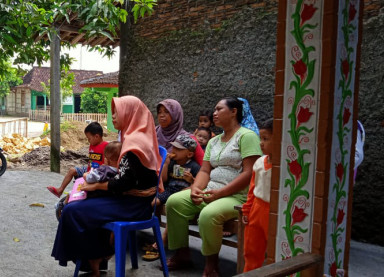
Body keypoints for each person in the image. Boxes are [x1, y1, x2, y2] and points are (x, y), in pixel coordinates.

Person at [52, 96, 162, 277]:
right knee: (75, 204)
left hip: (135, 204)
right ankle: (95, 259)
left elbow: (122, 183)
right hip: (128, 197)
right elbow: (123, 178)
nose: (113, 117)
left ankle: (93, 259)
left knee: (73, 211)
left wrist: (95, 187)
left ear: (130, 113)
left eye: (117, 112)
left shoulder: (135, 142)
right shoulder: (131, 137)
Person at [165, 97, 262, 276]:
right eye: (214, 109)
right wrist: (196, 188)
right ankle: (182, 253)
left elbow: (249, 173)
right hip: (211, 191)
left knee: (208, 215)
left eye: (219, 109)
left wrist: (220, 193)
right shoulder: (213, 141)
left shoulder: (247, 136)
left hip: (236, 196)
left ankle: (211, 264)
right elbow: (205, 170)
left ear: (234, 112)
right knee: (174, 202)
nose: (214, 113)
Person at [142, 134, 201, 262]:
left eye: (178, 150)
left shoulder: (195, 167)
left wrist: (192, 180)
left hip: (182, 193)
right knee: (154, 203)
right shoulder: (172, 162)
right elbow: (163, 180)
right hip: (169, 190)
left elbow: (198, 185)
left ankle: (162, 242)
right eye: (173, 148)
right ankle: (157, 235)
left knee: (172, 207)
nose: (173, 152)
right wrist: (166, 163)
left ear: (189, 154)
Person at [241, 119, 273, 272]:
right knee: (251, 249)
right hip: (256, 209)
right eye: (261, 138)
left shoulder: (284, 166)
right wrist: (247, 210)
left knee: (274, 250)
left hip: (272, 212)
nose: (261, 143)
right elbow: (252, 189)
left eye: (266, 139)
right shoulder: (259, 162)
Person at [47, 122, 108, 197]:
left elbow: (106, 164)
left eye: (89, 138)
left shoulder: (106, 147)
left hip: (97, 173)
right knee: (72, 170)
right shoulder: (92, 145)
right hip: (88, 169)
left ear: (96, 136)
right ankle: (60, 190)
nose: (88, 141)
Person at [156, 99, 204, 165]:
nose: (161, 115)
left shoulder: (188, 139)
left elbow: (204, 166)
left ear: (175, 114)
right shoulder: (152, 132)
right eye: (159, 112)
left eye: (167, 112)